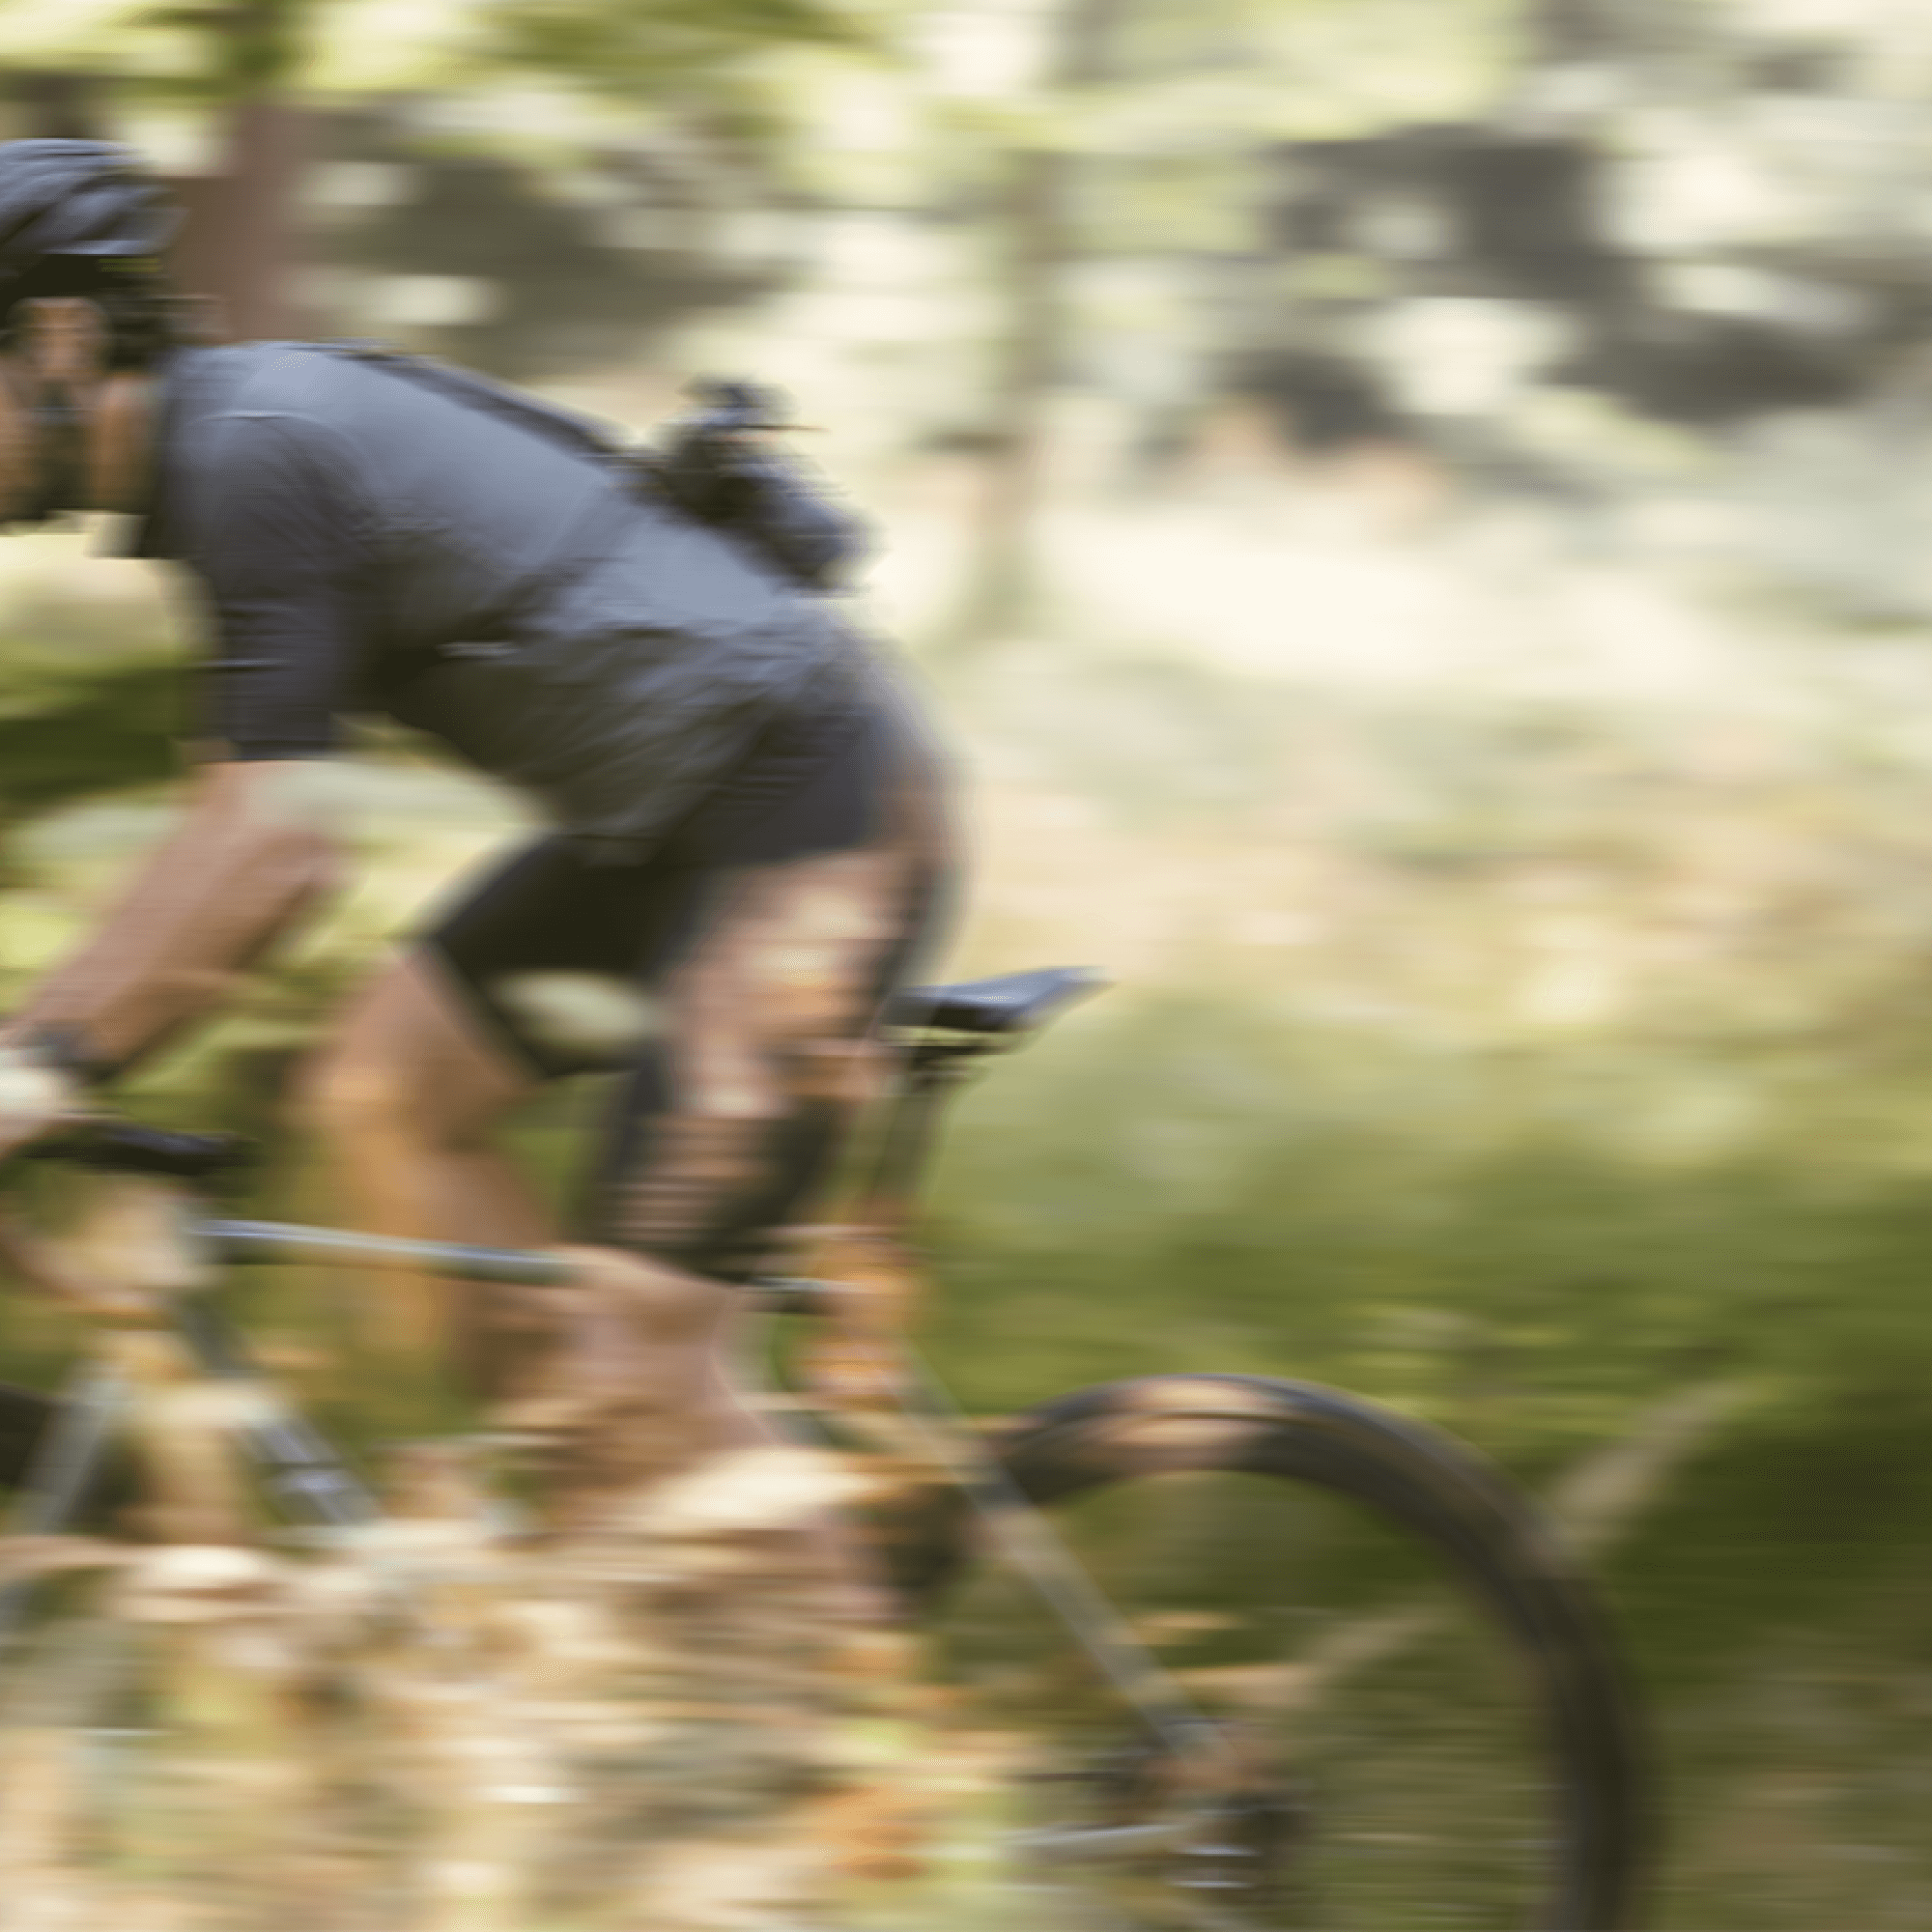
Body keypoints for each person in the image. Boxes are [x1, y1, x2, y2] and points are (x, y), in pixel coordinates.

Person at [0, 139, 952, 1508]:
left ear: (58, 338)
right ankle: (593, 1536)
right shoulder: (233, 445)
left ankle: (797, 1614)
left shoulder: (250, 453)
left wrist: (45, 1069)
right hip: (675, 828)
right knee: (381, 1093)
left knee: (645, 1369)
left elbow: (275, 846)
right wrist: (31, 1060)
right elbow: (237, 824)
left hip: (813, 822)